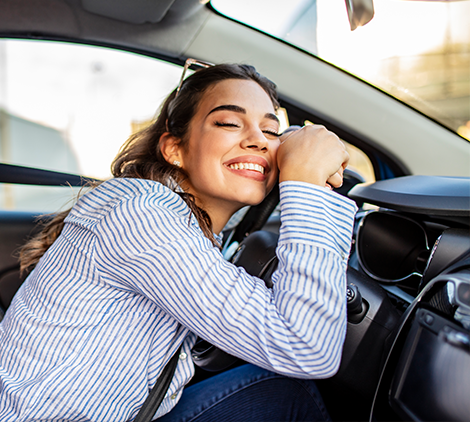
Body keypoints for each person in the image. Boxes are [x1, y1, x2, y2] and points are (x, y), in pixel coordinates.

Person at [0, 61, 357, 421]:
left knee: (279, 390)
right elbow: (308, 348)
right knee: (289, 394)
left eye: (271, 130)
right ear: (175, 149)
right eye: (230, 123)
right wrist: (306, 184)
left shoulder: (191, 224)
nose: (257, 140)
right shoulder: (142, 214)